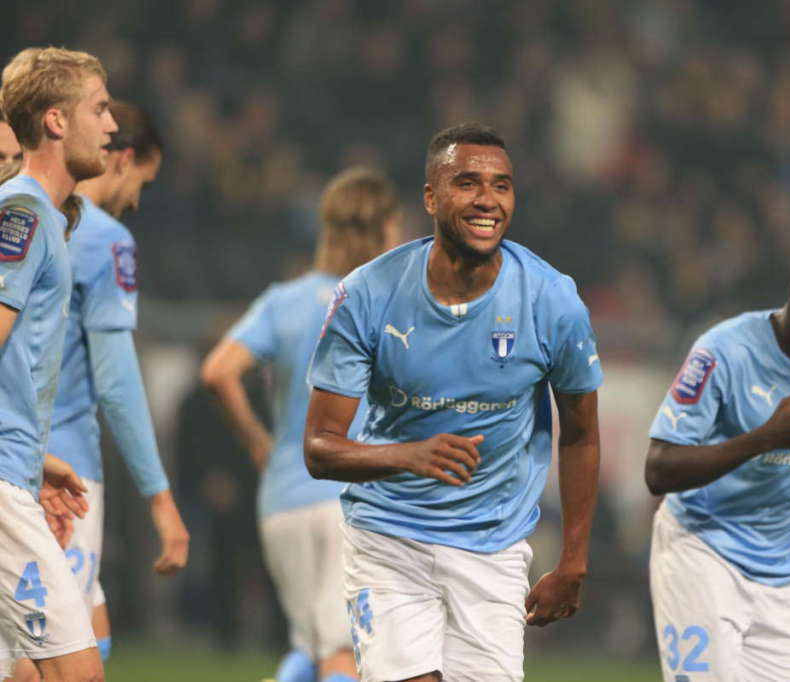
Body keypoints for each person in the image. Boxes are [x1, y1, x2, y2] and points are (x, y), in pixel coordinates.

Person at [304, 122, 603, 682]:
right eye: (468, 183)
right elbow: (320, 448)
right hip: (388, 536)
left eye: (501, 185)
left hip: (493, 548)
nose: (488, 199)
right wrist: (407, 456)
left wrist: (573, 560)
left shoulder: (551, 300)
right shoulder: (366, 294)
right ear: (430, 197)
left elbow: (583, 434)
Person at [644, 224, 790, 682]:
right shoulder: (723, 352)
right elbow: (658, 469)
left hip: (784, 571)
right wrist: (763, 438)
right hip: (702, 552)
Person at [200, 167, 401, 682]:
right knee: (346, 651)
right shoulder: (385, 301)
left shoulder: (283, 300)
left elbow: (218, 371)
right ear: (382, 227)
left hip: (283, 496)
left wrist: (259, 443)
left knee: (309, 646)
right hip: (350, 498)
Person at [47, 99, 190, 666]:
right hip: (62, 473)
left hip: (24, 458)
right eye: (143, 184)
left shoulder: (21, 216)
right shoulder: (104, 238)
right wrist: (160, 497)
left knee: (90, 633)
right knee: (48, 659)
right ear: (124, 159)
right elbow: (117, 381)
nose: (136, 200)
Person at [0, 46, 118, 682]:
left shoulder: (36, 213)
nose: (111, 126)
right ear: (55, 120)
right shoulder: (23, 212)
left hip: (14, 471)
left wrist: (32, 458)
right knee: (79, 671)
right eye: (99, 109)